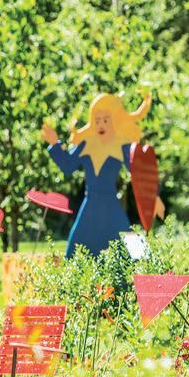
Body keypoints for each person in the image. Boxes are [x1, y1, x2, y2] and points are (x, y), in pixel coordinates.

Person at [41, 91, 164, 258]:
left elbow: (139, 173)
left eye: (106, 120)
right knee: (78, 243)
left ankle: (139, 273)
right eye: (97, 120)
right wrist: (55, 144)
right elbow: (68, 165)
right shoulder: (87, 144)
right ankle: (76, 280)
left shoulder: (121, 145)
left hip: (110, 205)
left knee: (126, 241)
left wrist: (153, 198)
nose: (101, 125)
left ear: (115, 120)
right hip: (90, 204)